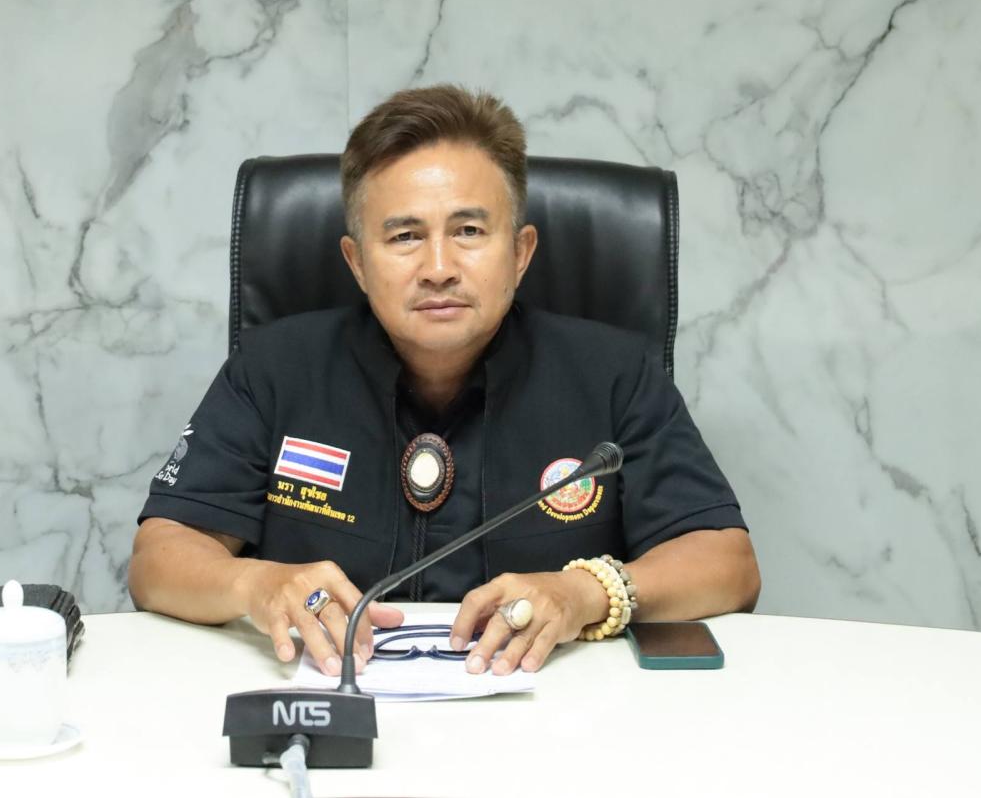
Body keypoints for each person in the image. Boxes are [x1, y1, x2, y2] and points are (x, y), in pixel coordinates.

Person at [128, 85, 759, 679]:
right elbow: (159, 558)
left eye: (469, 232)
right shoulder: (274, 368)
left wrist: (584, 592)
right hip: (328, 697)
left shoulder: (615, 373)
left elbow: (726, 562)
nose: (438, 268)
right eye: (405, 236)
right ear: (357, 262)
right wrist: (256, 585)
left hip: (552, 712)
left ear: (521, 252)